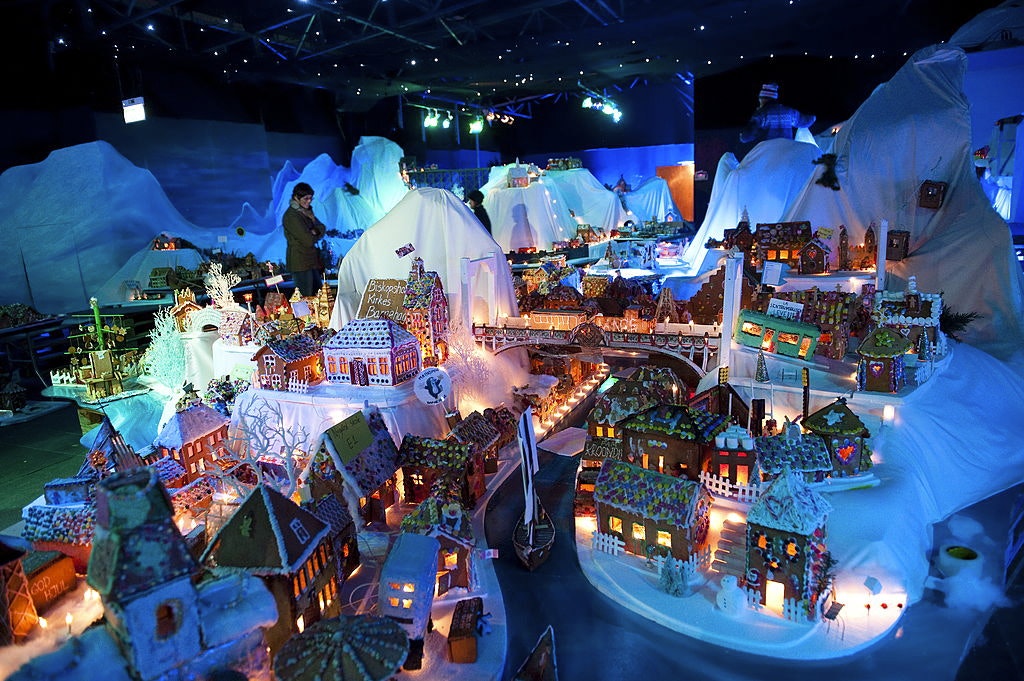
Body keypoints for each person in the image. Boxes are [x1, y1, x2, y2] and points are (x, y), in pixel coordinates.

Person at [282, 182, 326, 297]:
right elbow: (308, 240)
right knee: (306, 298)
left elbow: (322, 227)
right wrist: (314, 232)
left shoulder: (306, 213)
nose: (309, 201)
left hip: (311, 262)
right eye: (306, 198)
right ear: (296, 197)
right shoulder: (291, 216)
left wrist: (314, 231)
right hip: (300, 263)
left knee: (318, 296)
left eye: (311, 198)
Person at [739, 83, 816, 143]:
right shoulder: (789, 112)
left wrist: (742, 135)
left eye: (760, 98)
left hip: (769, 152)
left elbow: (746, 137)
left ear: (764, 99)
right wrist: (814, 117)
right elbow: (805, 122)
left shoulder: (761, 114)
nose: (759, 101)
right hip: (786, 151)